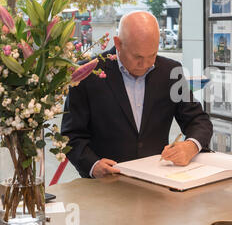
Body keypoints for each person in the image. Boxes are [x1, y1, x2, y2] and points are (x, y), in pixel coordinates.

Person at [61, 11, 213, 178]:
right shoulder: (87, 73)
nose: (146, 64)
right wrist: (92, 165)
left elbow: (198, 120)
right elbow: (71, 135)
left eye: (152, 55)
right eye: (137, 57)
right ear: (118, 44)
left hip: (157, 178)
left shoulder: (170, 71)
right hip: (106, 183)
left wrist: (191, 145)